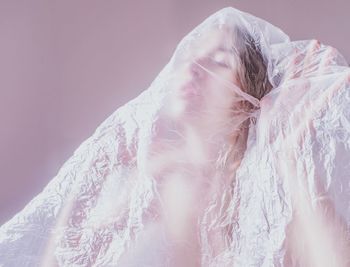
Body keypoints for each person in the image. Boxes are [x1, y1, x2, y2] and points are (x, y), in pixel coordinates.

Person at [1, 7, 350, 267]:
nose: (196, 68)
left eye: (221, 60)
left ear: (251, 98)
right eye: (193, 56)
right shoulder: (140, 183)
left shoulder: (267, 191)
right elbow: (51, 257)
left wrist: (288, 155)